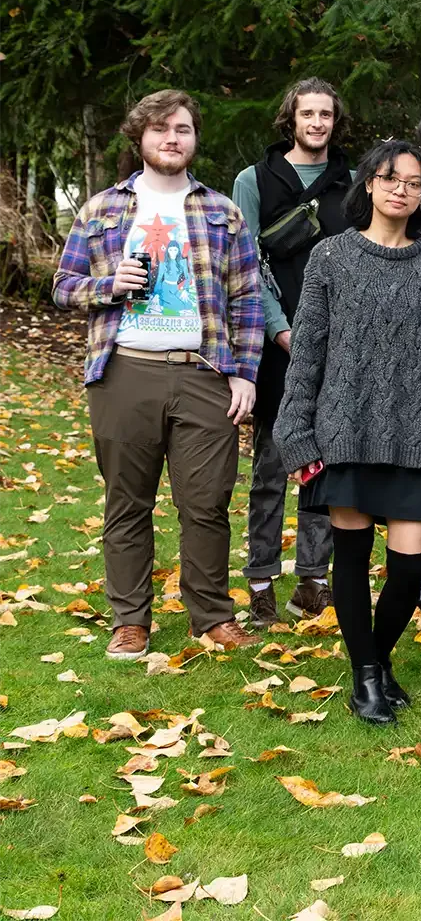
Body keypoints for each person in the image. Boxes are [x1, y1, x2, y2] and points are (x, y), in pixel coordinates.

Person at [54, 90, 264, 660]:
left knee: (207, 504)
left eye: (183, 129)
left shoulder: (223, 212)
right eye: (160, 129)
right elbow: (64, 286)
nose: (172, 138)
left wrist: (244, 374)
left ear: (194, 139)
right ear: (140, 137)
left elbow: (247, 298)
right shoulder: (102, 209)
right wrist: (109, 285)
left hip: (204, 374)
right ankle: (130, 621)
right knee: (127, 502)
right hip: (124, 372)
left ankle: (212, 617)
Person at [274, 140, 421, 725]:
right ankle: (366, 677)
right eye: (390, 178)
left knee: (409, 571)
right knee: (352, 562)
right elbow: (308, 352)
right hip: (344, 430)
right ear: (368, 184)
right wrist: (296, 431)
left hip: (414, 435)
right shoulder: (330, 256)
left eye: (413, 182)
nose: (400, 189)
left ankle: (377, 659)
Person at [231, 78, 353, 627]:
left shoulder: (352, 181)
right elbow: (246, 265)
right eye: (308, 113)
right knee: (271, 467)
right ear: (291, 119)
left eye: (326, 114)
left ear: (335, 121)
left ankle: (313, 581)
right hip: (275, 348)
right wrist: (282, 331)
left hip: (337, 347)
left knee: (323, 465)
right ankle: (260, 583)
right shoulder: (253, 180)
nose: (317, 123)